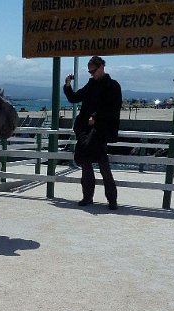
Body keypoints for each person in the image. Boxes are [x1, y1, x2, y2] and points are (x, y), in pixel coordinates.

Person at [63, 56, 122, 209]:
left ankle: (112, 200)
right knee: (85, 163)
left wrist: (96, 117)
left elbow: (113, 108)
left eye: (93, 71)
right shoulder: (91, 85)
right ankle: (87, 197)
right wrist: (67, 86)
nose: (92, 74)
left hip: (100, 131)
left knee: (103, 165)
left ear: (102, 67)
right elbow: (75, 98)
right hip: (85, 129)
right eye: (90, 72)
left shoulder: (113, 86)